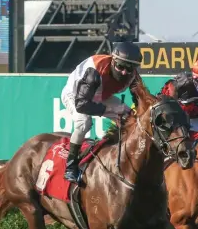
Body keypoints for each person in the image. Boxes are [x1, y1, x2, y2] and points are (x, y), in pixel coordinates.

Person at [59, 41, 142, 182]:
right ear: (113, 60)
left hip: (102, 94)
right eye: (121, 66)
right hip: (76, 95)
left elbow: (139, 97)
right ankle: (70, 167)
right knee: (84, 123)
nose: (124, 72)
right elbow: (82, 105)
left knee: (130, 118)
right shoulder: (94, 71)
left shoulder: (132, 75)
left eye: (129, 68)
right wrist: (108, 110)